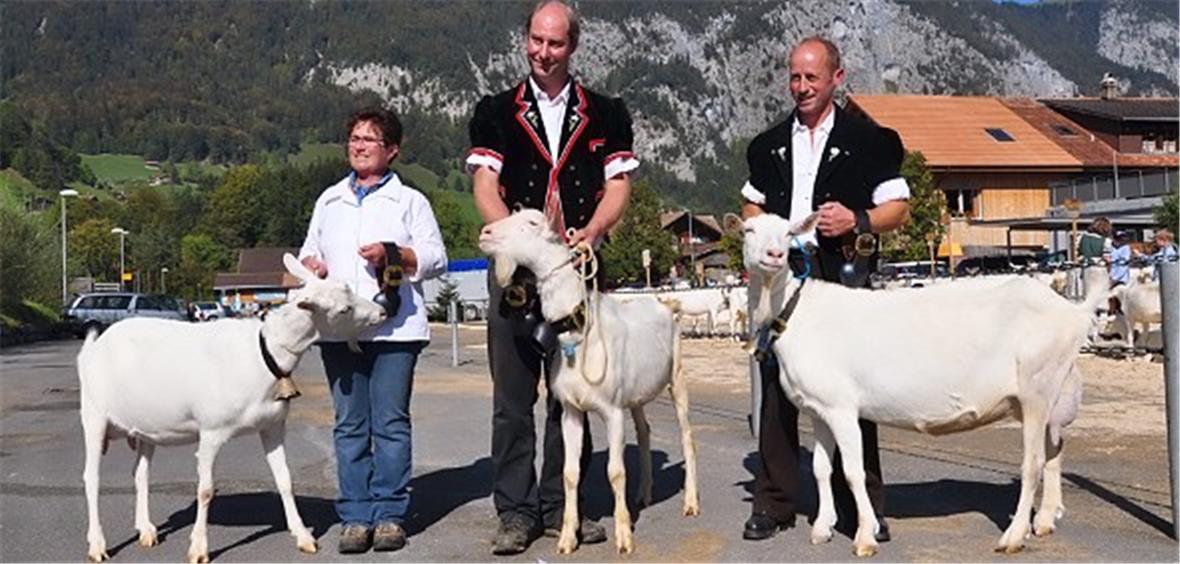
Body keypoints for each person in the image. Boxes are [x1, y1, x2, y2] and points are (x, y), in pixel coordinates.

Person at [465, 0, 638, 555]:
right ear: (526, 40)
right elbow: (485, 185)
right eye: (536, 41)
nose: (543, 53)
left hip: (578, 272)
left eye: (555, 43)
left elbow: (618, 186)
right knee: (512, 399)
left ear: (573, 47)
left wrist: (593, 230)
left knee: (574, 394)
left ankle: (565, 505)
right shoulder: (496, 111)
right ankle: (516, 512)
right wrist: (517, 241)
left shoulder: (607, 113)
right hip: (517, 275)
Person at [738, 36, 910, 542]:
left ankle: (863, 506)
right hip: (782, 277)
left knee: (850, 391)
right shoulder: (766, 145)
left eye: (811, 77)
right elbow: (750, 205)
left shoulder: (870, 140)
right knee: (776, 387)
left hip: (839, 275)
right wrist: (766, 229)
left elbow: (899, 208)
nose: (802, 86)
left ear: (837, 78)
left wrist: (857, 219)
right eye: (795, 77)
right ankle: (774, 502)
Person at [298, 108, 448, 554]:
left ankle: (389, 514)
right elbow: (309, 250)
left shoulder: (411, 202)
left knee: (390, 423)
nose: (359, 146)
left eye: (369, 139)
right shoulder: (329, 200)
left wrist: (394, 254)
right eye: (354, 138)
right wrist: (312, 264)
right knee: (349, 425)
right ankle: (354, 515)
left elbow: (436, 259)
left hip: (395, 330)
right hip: (339, 330)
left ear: (392, 150)